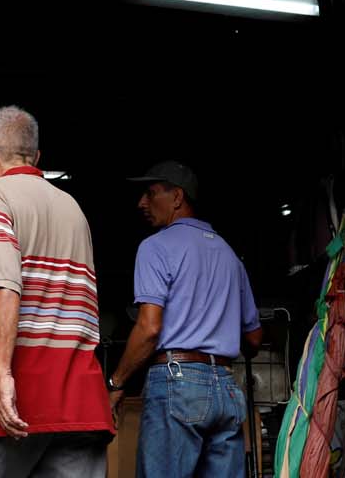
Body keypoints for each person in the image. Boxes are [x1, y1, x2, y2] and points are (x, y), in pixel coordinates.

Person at [0, 106, 113, 478]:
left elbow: (4, 284)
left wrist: (3, 378)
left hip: (7, 407)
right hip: (79, 403)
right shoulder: (73, 207)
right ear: (36, 156)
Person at [105, 161, 261, 478]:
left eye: (150, 194)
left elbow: (149, 328)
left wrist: (116, 382)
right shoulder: (230, 256)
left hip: (178, 381)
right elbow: (254, 340)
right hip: (227, 389)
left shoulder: (155, 247)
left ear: (177, 197)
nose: (142, 203)